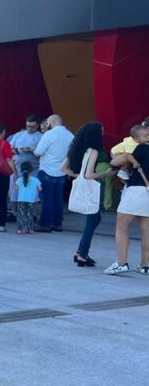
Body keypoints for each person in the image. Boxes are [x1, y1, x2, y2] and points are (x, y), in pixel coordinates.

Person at [62, 122, 111, 264]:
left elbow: (63, 167)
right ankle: (82, 253)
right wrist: (106, 173)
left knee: (93, 218)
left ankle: (80, 252)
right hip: (90, 188)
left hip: (80, 186)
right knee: (94, 218)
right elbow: (89, 174)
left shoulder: (75, 148)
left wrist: (76, 175)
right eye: (101, 132)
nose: (102, 135)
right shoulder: (93, 151)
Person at [105, 126, 149, 274]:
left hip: (136, 190)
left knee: (122, 227)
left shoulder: (140, 149)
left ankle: (121, 262)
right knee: (146, 229)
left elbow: (115, 162)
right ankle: (145, 265)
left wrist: (125, 155)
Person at [34, 114, 74, 232]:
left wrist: (33, 150)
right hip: (62, 171)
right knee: (58, 199)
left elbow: (38, 152)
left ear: (51, 122)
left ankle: (46, 224)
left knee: (47, 199)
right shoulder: (70, 135)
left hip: (47, 169)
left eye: (48, 123)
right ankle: (57, 223)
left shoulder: (49, 134)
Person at [14, 167, 41, 234]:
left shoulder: (19, 180)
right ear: (31, 171)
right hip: (30, 200)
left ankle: (19, 230)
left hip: (21, 200)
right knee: (30, 215)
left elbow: (16, 189)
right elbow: (40, 189)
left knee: (20, 215)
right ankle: (31, 230)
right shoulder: (35, 179)